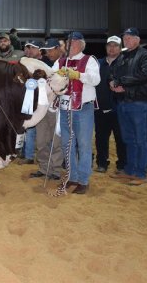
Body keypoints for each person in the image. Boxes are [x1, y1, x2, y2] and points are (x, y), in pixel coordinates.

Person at [52, 31, 100, 194]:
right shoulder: (61, 61)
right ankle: (71, 176)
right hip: (65, 108)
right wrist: (55, 76)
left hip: (83, 108)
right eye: (68, 43)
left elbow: (96, 79)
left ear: (81, 44)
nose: (69, 45)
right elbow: (51, 76)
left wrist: (78, 75)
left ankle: (83, 180)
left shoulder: (89, 60)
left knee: (84, 144)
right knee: (67, 144)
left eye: (73, 43)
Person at [110, 27, 147, 186]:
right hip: (123, 101)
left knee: (140, 138)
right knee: (128, 138)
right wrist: (113, 83)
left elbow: (144, 75)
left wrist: (121, 83)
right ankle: (130, 170)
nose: (127, 40)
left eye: (130, 37)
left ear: (138, 39)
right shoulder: (122, 56)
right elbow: (114, 74)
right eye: (125, 37)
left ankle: (141, 173)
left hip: (139, 101)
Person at [28, 38, 66, 177]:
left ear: (58, 49)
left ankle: (55, 170)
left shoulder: (64, 64)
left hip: (57, 107)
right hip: (42, 106)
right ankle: (44, 168)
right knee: (41, 141)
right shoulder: (42, 64)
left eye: (51, 50)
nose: (49, 53)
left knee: (56, 141)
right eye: (47, 50)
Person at [94, 36, 126, 173]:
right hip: (101, 108)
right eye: (109, 45)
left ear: (120, 48)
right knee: (101, 137)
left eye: (115, 45)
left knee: (121, 138)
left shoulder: (126, 63)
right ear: (106, 47)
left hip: (120, 108)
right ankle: (102, 163)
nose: (112, 48)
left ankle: (122, 165)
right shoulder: (97, 63)